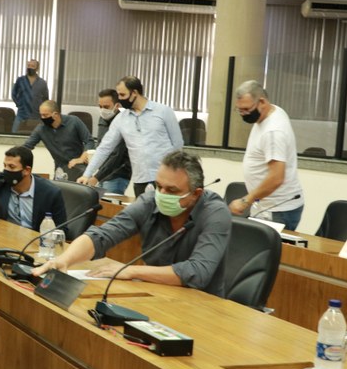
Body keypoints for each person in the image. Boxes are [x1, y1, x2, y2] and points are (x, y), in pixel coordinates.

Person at [34, 151, 231, 297]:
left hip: (203, 303)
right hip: (155, 293)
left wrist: (130, 270)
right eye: (159, 186)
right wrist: (65, 260)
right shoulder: (150, 201)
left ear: (196, 194)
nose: (162, 195)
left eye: (172, 190)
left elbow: (198, 273)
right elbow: (103, 235)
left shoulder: (215, 213)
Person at [78, 76, 183, 197]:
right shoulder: (121, 119)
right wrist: (86, 175)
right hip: (140, 180)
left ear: (134, 93)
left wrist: (175, 174)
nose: (120, 99)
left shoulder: (163, 111)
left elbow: (177, 144)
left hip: (167, 179)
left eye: (122, 95)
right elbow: (104, 148)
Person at [228, 80, 304, 230]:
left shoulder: (273, 132)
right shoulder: (273, 111)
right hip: (265, 204)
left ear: (262, 102)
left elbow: (276, 177)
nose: (243, 114)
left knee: (265, 245)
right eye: (239, 110)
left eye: (246, 109)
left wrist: (245, 201)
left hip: (277, 208)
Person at [0, 145, 67, 232]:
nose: (6, 170)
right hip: (5, 236)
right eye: (5, 165)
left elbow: (61, 229)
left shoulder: (50, 193)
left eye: (11, 167)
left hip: (35, 238)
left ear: (27, 170)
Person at [22, 100, 94, 181]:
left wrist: (81, 159)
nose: (42, 118)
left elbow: (89, 141)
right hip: (60, 169)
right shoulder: (41, 129)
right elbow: (26, 147)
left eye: (45, 115)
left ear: (55, 114)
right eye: (41, 115)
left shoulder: (74, 121)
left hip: (79, 167)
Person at [87, 88, 131, 195]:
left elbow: (117, 155)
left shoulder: (125, 121)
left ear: (117, 105)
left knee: (110, 204)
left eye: (106, 107)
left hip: (117, 175)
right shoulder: (103, 118)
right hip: (102, 174)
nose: (102, 110)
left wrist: (96, 177)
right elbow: (101, 147)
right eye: (100, 106)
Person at [11, 59, 49, 133]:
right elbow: (13, 94)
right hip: (21, 114)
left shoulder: (42, 82)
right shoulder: (20, 80)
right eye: (28, 65)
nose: (30, 67)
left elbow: (45, 99)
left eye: (32, 66)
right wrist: (19, 104)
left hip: (36, 115)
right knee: (14, 133)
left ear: (37, 68)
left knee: (39, 134)